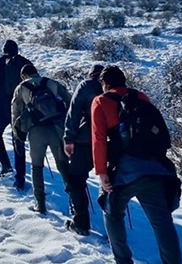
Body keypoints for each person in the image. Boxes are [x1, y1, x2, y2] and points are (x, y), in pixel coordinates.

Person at [91, 66, 182, 264]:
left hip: (123, 171)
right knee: (162, 222)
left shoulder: (100, 101)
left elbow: (98, 139)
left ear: (105, 84)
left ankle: (123, 261)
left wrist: (102, 172)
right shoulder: (140, 96)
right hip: (155, 168)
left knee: (112, 213)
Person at [12, 64, 71, 214]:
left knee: (37, 167)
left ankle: (40, 203)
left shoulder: (21, 87)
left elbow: (16, 112)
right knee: (63, 165)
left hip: (36, 131)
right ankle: (74, 202)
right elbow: (70, 101)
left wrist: (17, 134)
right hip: (57, 129)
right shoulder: (51, 83)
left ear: (24, 76)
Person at [0, 40, 32, 187]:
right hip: (21, 104)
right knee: (18, 140)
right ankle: (20, 178)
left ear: (4, 50)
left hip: (2, 104)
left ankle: (5, 164)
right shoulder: (24, 62)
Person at [62, 63, 105, 236]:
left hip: (87, 140)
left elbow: (73, 113)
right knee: (110, 183)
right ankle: (114, 229)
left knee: (76, 180)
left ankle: (81, 223)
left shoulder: (86, 86)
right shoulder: (115, 89)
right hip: (111, 141)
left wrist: (69, 139)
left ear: (91, 74)